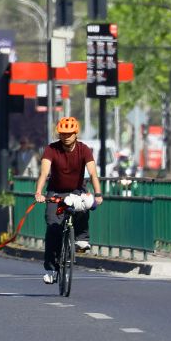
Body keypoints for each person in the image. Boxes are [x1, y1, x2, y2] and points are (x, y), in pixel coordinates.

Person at [33, 116, 103, 285]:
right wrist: (39, 192)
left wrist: (98, 193)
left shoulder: (84, 149)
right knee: (52, 227)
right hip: (55, 192)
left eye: (69, 133)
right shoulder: (51, 149)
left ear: (75, 133)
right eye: (62, 133)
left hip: (77, 190)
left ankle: (82, 238)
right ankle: (51, 269)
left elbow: (93, 173)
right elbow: (44, 173)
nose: (65, 136)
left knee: (84, 205)